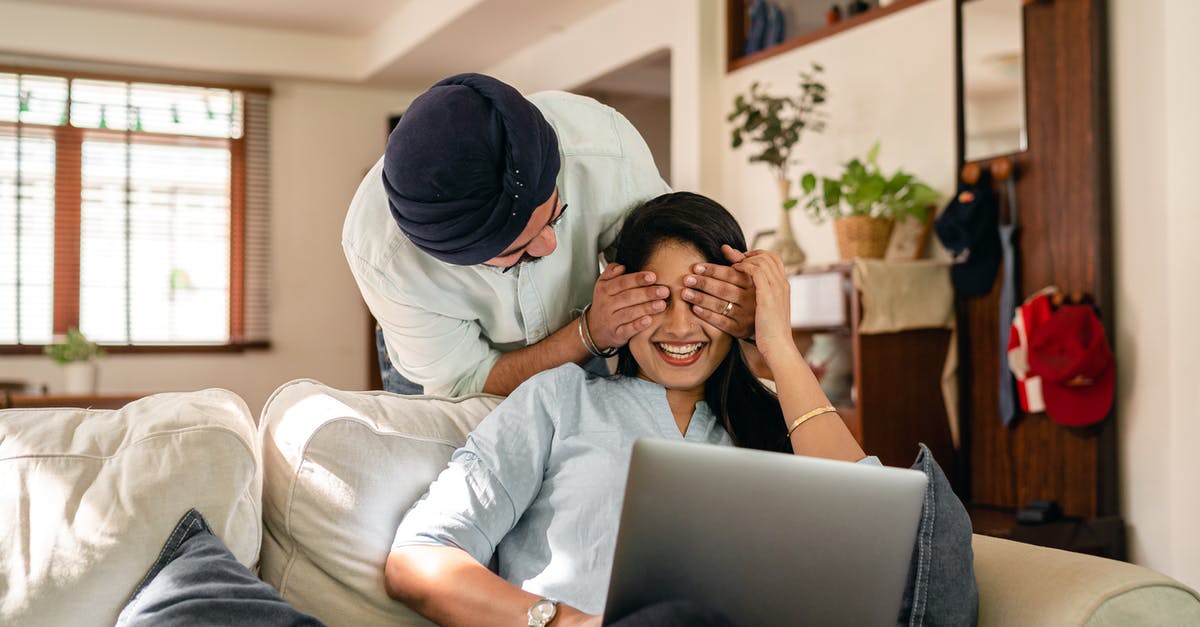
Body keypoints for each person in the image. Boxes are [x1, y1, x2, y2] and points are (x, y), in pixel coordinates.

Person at [384, 192, 977, 626]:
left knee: (932, 511)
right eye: (657, 298)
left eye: (703, 299)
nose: (679, 326)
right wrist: (560, 622)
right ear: (620, 295)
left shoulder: (772, 428)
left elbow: (874, 546)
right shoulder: (560, 400)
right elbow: (419, 558)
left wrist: (777, 346)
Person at [343, 73, 757, 397]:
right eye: (518, 250)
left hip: (586, 330)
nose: (551, 246)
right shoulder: (384, 256)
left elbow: (668, 257)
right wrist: (588, 333)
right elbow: (467, 384)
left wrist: (746, 312)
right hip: (454, 374)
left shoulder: (604, 148)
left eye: (555, 215)